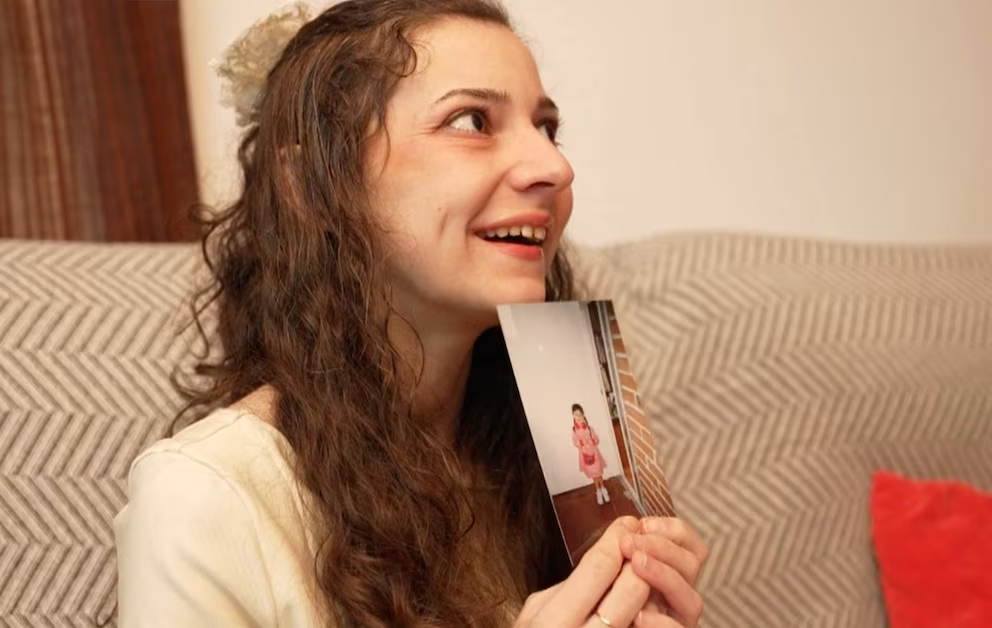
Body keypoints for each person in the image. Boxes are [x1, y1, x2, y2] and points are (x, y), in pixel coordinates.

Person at [112, 1, 709, 627]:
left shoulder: (537, 468)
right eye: (472, 121)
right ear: (308, 182)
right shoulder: (204, 496)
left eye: (547, 128)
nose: (556, 169)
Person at [571, 403, 611, 505]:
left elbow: (596, 439)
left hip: (594, 454)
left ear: (583, 415)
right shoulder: (574, 430)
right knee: (594, 475)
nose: (578, 417)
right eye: (576, 415)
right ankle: (598, 491)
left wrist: (592, 441)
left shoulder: (589, 428)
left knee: (598, 473)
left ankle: (603, 489)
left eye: (580, 414)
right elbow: (575, 442)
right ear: (573, 416)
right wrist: (582, 443)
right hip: (585, 456)